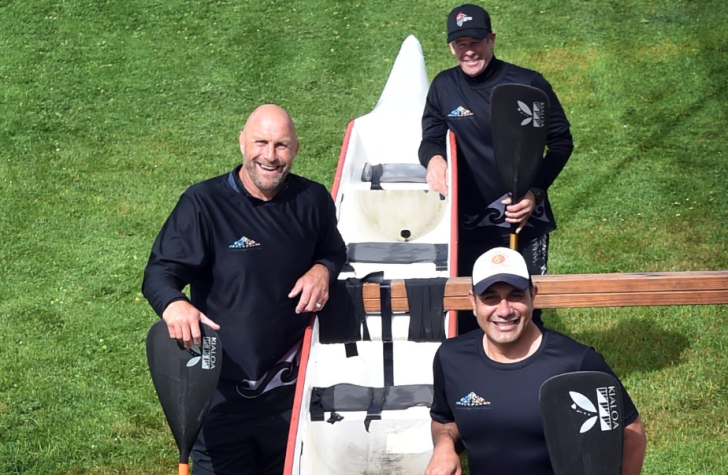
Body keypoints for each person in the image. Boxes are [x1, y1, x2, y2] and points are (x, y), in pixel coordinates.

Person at [142, 104, 347, 475]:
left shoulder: (313, 199)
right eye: (261, 142)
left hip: (292, 393)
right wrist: (174, 304)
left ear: (297, 148)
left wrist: (323, 270)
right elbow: (160, 272)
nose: (270, 156)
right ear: (241, 143)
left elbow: (333, 250)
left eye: (281, 145)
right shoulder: (203, 203)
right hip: (219, 392)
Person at [419, 3, 574, 332]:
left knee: (524, 308)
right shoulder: (444, 86)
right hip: (466, 224)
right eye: (461, 44)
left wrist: (534, 193)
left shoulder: (528, 84)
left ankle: (528, 377)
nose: (469, 51)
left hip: (522, 219)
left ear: (491, 39)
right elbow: (430, 139)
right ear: (451, 47)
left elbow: (561, 142)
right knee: (470, 309)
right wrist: (433, 161)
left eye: (476, 41)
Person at [425, 247, 647, 475]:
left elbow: (631, 432)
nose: (504, 310)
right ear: (473, 302)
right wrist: (444, 445)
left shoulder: (576, 363)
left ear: (533, 295)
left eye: (515, 295)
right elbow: (444, 420)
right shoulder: (451, 357)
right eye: (490, 298)